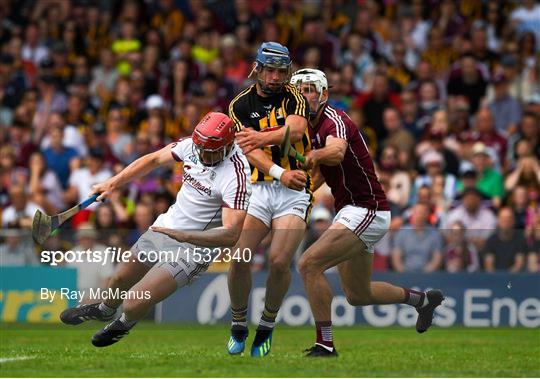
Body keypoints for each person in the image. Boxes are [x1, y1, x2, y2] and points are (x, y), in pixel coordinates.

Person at [59, 112, 251, 347]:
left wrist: (186, 236)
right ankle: (105, 309)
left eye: (209, 152)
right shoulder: (194, 145)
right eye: (200, 149)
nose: (201, 155)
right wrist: (112, 183)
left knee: (134, 301)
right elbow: (152, 160)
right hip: (164, 228)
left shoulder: (237, 177)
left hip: (193, 248)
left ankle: (123, 324)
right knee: (119, 277)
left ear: (227, 145)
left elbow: (231, 235)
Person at [290, 68, 444, 357]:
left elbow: (334, 153)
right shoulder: (307, 127)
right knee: (358, 295)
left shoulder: (335, 119)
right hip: (352, 211)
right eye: (299, 90)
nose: (304, 95)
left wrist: (312, 156)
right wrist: (302, 190)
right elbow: (323, 170)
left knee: (308, 264)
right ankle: (423, 301)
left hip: (366, 209)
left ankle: (325, 344)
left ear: (324, 94)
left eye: (310, 89)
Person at [226, 41, 311, 357]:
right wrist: (279, 172)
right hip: (260, 190)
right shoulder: (239, 106)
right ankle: (238, 322)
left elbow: (297, 132)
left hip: (294, 192)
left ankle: (267, 325)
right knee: (239, 258)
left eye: (281, 71)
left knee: (278, 261)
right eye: (270, 70)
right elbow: (250, 152)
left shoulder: (295, 97)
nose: (276, 77)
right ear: (257, 69)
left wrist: (261, 136)